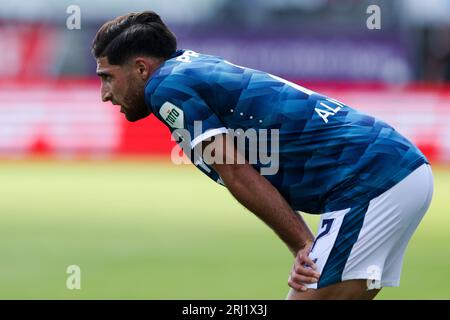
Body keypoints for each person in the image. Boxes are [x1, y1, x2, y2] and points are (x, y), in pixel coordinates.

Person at [92, 11, 434, 300]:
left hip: (371, 180)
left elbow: (236, 171)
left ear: (140, 68)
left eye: (108, 78)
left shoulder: (165, 87)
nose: (105, 94)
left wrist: (303, 243)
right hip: (391, 171)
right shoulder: (184, 69)